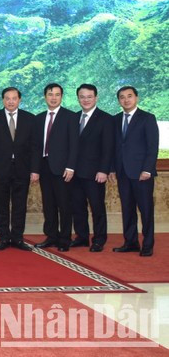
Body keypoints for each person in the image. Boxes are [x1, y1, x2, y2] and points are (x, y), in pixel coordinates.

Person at [0, 87, 38, 251]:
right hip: (0, 169)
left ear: (19, 100)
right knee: (1, 205)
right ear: (3, 100)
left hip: (23, 169)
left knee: (20, 205)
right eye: (7, 98)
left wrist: (35, 170)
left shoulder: (30, 119)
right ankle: (4, 238)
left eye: (14, 98)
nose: (11, 101)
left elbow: (35, 147)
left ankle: (18, 239)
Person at [109, 86, 159, 257]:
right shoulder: (115, 120)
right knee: (127, 209)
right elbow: (114, 147)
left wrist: (147, 169)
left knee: (145, 210)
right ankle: (130, 242)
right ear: (119, 101)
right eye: (122, 97)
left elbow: (153, 147)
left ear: (136, 97)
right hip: (123, 172)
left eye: (129, 96)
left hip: (141, 173)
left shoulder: (147, 118)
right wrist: (112, 169)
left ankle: (148, 244)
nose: (126, 100)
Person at [32, 83, 78, 253]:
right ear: (45, 96)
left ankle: (64, 239)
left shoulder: (71, 117)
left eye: (57, 94)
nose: (53, 97)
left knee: (64, 205)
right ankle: (51, 236)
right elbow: (36, 146)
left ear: (61, 97)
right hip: (44, 167)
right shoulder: (38, 118)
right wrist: (35, 169)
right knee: (48, 204)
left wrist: (71, 166)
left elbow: (74, 145)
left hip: (63, 168)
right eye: (50, 94)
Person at [71, 84, 113, 252]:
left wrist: (103, 170)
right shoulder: (73, 118)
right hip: (74, 173)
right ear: (78, 98)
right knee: (77, 207)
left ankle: (99, 239)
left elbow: (108, 147)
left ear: (96, 98)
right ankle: (82, 237)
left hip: (95, 173)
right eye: (82, 97)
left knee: (97, 208)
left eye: (89, 96)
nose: (86, 100)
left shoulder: (106, 119)